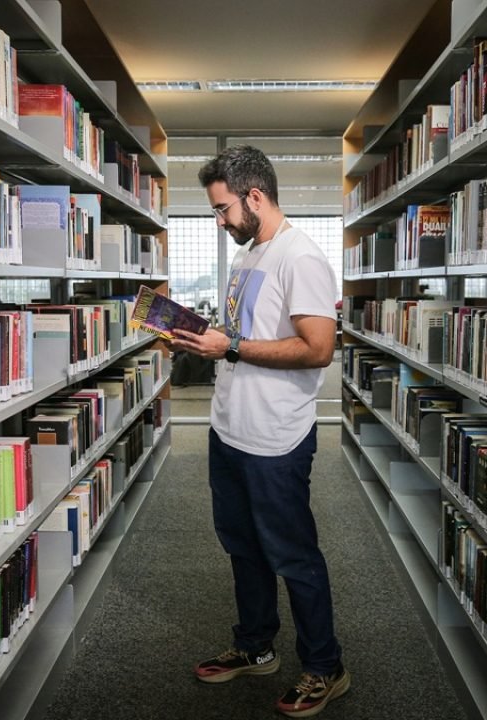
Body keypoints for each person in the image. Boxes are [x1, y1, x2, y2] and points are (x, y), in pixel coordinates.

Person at [171, 145, 348, 718]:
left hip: (276, 438)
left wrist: (235, 346)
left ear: (255, 196)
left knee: (293, 556)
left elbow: (318, 349)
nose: (219, 222)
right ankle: (255, 646)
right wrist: (201, 340)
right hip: (229, 429)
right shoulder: (250, 257)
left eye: (223, 209)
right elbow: (240, 337)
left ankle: (325, 666)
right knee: (242, 549)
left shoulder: (301, 258)